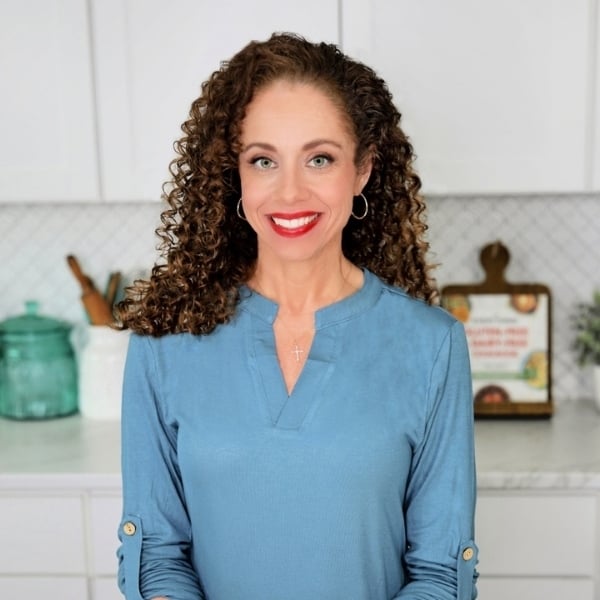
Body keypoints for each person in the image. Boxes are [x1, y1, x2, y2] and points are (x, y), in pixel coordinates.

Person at [116, 32, 478, 600]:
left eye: (319, 159)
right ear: (233, 174)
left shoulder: (431, 345)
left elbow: (438, 573)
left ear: (361, 170)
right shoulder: (164, 340)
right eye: (264, 160)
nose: (289, 192)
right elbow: (158, 556)